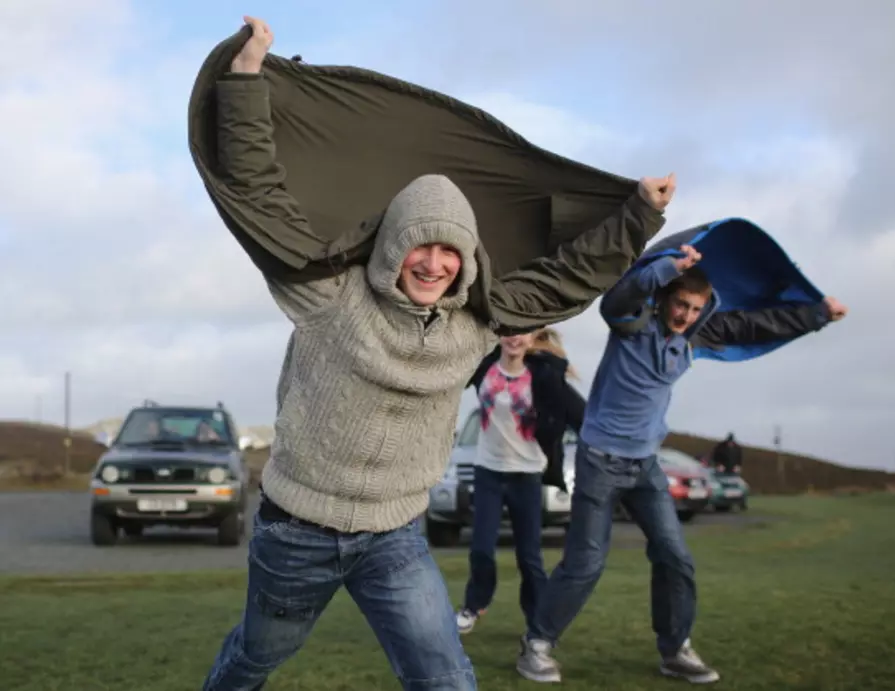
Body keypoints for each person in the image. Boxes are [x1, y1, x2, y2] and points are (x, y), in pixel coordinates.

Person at [200, 17, 677, 691]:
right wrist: (247, 79)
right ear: (395, 241)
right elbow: (260, 195)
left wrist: (637, 214)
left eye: (449, 248)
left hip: (393, 537)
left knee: (448, 680)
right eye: (421, 243)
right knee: (254, 657)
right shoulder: (327, 295)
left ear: (468, 257)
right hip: (298, 531)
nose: (433, 261)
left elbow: (566, 278)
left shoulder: (481, 321)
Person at [516, 244, 848, 685]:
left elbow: (755, 324)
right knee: (587, 563)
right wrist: (668, 267)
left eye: (695, 308)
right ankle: (537, 644)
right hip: (599, 463)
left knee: (676, 557)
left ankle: (674, 650)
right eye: (680, 304)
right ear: (665, 299)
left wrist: (818, 314)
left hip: (645, 466)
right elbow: (618, 297)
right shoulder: (630, 322)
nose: (686, 315)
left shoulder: (696, 336)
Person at [455, 328, 585, 636]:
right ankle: (475, 604)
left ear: (533, 338)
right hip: (488, 471)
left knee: (529, 557)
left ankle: (537, 621)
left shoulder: (543, 376)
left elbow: (581, 415)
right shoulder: (483, 367)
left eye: (523, 333)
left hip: (526, 475)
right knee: (481, 548)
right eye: (509, 331)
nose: (515, 338)